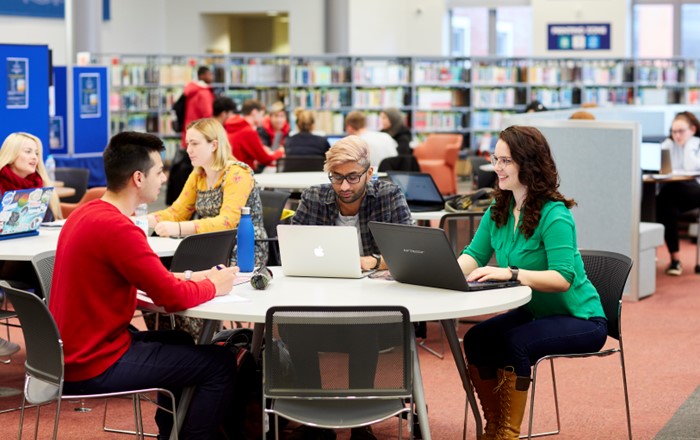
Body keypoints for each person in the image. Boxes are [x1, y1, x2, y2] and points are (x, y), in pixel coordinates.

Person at [49, 131, 239, 439]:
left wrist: (197, 277)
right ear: (138, 178)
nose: (163, 178)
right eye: (159, 171)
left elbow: (154, 280)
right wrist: (215, 286)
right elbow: (170, 298)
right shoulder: (119, 228)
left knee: (179, 340)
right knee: (220, 364)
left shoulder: (88, 213)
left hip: (70, 350)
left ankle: (171, 433)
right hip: (93, 363)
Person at [458, 126, 608, 439]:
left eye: (505, 161)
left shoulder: (555, 214)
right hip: (536, 312)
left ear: (528, 164)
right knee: (476, 340)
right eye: (495, 159)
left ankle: (507, 435)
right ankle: (494, 427)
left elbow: (562, 278)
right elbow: (474, 255)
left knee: (516, 343)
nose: (496, 167)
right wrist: (441, 273)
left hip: (581, 317)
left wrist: (511, 273)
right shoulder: (498, 210)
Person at [287, 135, 411, 440]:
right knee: (291, 327)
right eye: (337, 177)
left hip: (376, 310)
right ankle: (316, 418)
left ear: (369, 173)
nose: (344, 186)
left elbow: (409, 251)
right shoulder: (314, 197)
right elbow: (293, 250)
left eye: (353, 177)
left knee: (362, 327)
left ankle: (361, 421)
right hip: (322, 303)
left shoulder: (388, 195)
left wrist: (371, 262)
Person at [149, 118, 268, 266]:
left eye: (194, 143)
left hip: (243, 248)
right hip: (211, 244)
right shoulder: (199, 174)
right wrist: (140, 221)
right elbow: (177, 212)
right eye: (188, 143)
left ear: (214, 145)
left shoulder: (237, 173)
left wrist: (179, 228)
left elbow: (228, 222)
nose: (188, 150)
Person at [656, 111, 700, 276]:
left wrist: (690, 145)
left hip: (695, 189)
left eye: (681, 131)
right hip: (673, 191)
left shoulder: (697, 144)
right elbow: (660, 167)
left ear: (693, 129)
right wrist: (668, 144)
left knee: (665, 197)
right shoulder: (669, 144)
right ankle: (675, 259)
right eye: (674, 131)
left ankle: (674, 260)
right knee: (667, 207)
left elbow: (690, 168)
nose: (677, 135)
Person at [167, 66, 216, 205]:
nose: (212, 77)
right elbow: (208, 116)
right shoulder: (203, 93)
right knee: (200, 170)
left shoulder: (190, 91)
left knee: (190, 169)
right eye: (210, 74)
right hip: (202, 136)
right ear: (203, 75)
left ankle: (186, 200)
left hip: (189, 133)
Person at [225, 99, 285, 171]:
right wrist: (280, 152)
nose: (263, 119)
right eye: (262, 115)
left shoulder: (234, 126)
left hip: (233, 172)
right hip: (244, 174)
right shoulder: (248, 131)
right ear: (255, 112)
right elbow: (265, 158)